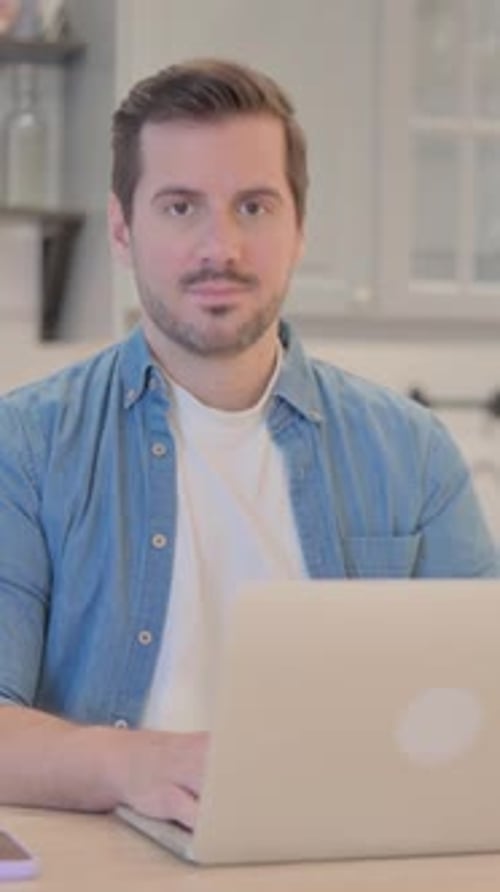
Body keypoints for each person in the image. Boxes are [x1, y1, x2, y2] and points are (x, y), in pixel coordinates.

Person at [0, 58, 497, 830]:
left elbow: (483, 710)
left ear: (301, 228)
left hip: (352, 852)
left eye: (255, 207)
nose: (220, 246)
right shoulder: (25, 446)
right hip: (113, 862)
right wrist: (135, 765)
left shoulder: (414, 454)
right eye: (179, 207)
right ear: (124, 229)